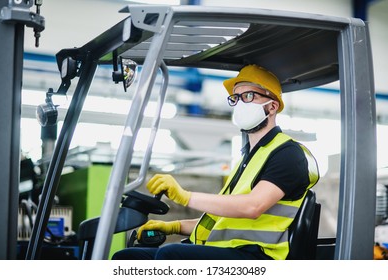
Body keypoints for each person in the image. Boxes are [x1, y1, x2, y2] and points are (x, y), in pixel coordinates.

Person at [112, 64, 320, 260]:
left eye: (248, 96)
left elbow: (253, 206)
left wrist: (185, 197)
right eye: (235, 98)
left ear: (272, 106)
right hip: (231, 252)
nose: (239, 103)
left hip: (258, 259)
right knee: (128, 258)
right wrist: (174, 226)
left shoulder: (288, 153)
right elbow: (221, 224)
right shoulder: (249, 157)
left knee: (171, 256)